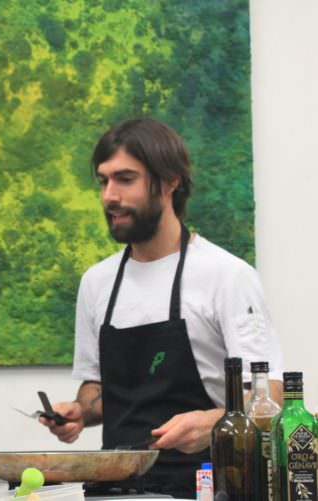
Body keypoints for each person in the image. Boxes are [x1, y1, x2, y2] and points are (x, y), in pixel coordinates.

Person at [41, 118, 283, 498]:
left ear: (171, 181)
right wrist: (79, 412)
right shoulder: (97, 282)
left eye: (125, 179)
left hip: (206, 487)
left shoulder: (226, 275)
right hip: (113, 490)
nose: (109, 196)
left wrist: (215, 422)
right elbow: (99, 387)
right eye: (103, 181)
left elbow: (271, 396)